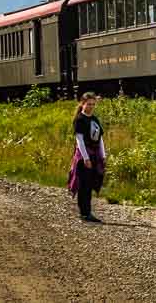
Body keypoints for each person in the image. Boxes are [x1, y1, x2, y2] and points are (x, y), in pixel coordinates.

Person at [68, 92, 106, 222]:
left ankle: (87, 211)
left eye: (93, 104)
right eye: (88, 104)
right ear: (82, 104)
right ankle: (85, 212)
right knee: (84, 184)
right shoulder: (80, 120)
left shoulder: (95, 119)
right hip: (84, 156)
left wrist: (103, 155)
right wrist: (86, 158)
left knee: (90, 183)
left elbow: (100, 138)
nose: (91, 106)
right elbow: (80, 140)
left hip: (94, 155)